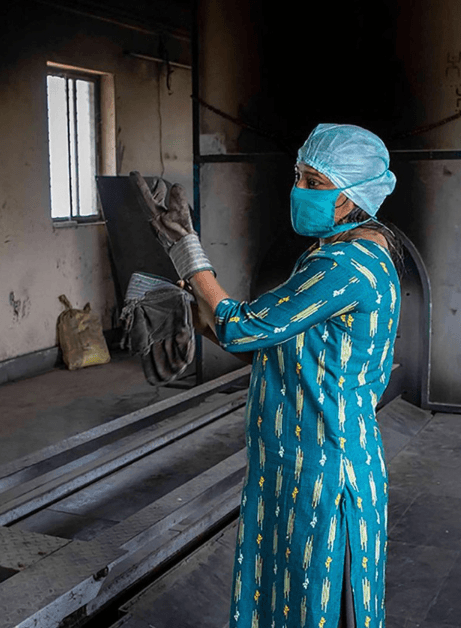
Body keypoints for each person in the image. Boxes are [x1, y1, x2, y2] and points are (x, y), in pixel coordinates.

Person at [138, 123, 400, 628]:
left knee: (319, 608)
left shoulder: (348, 265)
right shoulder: (329, 255)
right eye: (298, 176)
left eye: (315, 183)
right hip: (291, 464)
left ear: (350, 199)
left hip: (325, 469)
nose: (299, 190)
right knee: (285, 602)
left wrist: (187, 251)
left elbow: (244, 328)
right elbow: (276, 347)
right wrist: (199, 319)